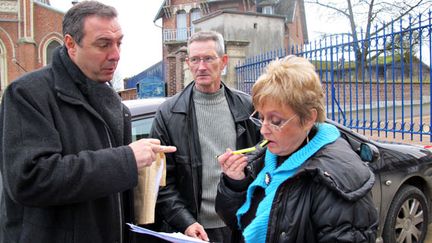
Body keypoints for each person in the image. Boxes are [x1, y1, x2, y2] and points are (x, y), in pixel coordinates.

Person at [0, 1, 176, 243]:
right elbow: (30, 179)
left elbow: (115, 195)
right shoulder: (27, 94)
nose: (115, 55)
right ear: (71, 44)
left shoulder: (114, 103)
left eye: (118, 43)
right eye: (103, 44)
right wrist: (127, 159)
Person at [215, 55, 378, 242]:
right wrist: (235, 184)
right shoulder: (266, 158)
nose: (263, 129)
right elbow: (238, 225)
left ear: (308, 118)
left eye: (276, 121)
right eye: (261, 118)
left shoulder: (338, 179)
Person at [149, 30, 261, 242]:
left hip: (242, 226)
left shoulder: (248, 108)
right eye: (194, 59)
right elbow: (162, 182)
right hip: (194, 230)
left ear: (224, 61)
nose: (201, 67)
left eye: (208, 58)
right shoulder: (168, 113)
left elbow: (266, 163)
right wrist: (185, 222)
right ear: (188, 63)